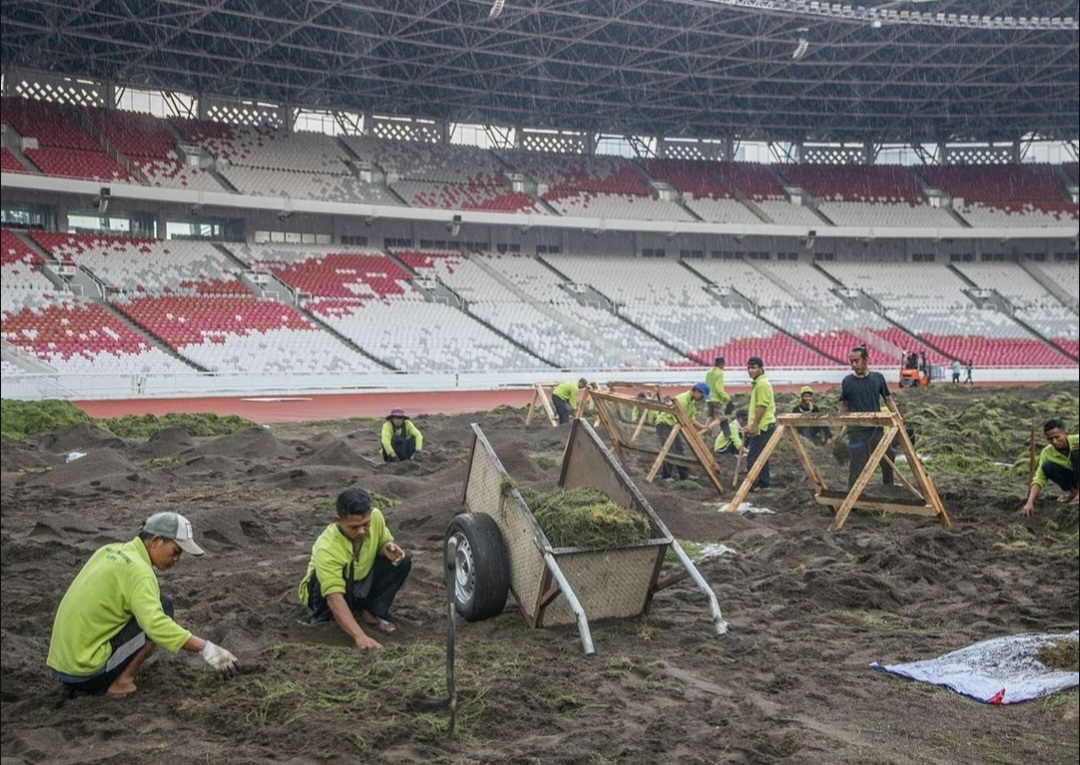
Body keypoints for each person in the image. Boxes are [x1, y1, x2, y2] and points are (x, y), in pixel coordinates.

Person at [46, 512, 239, 698]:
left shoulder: (108, 550)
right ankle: (122, 682)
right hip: (86, 673)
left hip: (60, 665)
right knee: (163, 608)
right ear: (155, 541)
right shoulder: (140, 572)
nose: (177, 559)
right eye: (176, 551)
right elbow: (156, 625)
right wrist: (206, 648)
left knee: (149, 606)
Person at [299, 487, 411, 650]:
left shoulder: (376, 517)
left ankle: (369, 611)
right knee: (322, 581)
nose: (361, 531)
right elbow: (333, 596)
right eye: (353, 527)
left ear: (370, 513)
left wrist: (386, 548)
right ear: (338, 519)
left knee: (403, 561)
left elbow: (382, 541)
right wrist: (360, 637)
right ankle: (325, 621)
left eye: (365, 524)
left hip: (357, 580)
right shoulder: (327, 547)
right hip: (323, 592)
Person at [839, 345, 904, 488]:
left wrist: (899, 419)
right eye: (851, 362)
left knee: (888, 460)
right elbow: (844, 406)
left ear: (866, 360)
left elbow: (888, 400)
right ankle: (854, 501)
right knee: (857, 467)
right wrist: (838, 431)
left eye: (856, 361)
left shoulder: (878, 378)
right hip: (856, 433)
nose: (853, 365)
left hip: (876, 431)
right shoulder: (847, 382)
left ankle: (889, 490)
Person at [1020, 419, 1079, 517]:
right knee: (1047, 466)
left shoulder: (1077, 440)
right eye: (1050, 439)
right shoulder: (1047, 452)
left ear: (1066, 434)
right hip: (1074, 478)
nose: (1054, 442)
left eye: (1057, 437)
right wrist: (1030, 502)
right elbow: (1039, 479)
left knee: (1076, 453)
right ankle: (1075, 491)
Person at [655, 382, 709, 482]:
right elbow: (681, 419)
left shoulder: (691, 402)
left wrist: (702, 427)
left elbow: (690, 419)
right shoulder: (683, 400)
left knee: (679, 449)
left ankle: (684, 475)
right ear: (696, 391)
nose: (702, 398)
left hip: (674, 425)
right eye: (702, 395)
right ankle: (666, 476)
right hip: (664, 424)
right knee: (669, 449)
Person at [744, 356, 776, 489]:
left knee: (753, 457)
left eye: (754, 368)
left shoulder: (762, 384)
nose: (750, 371)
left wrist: (754, 425)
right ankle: (763, 483)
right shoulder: (759, 383)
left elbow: (761, 406)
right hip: (764, 425)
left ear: (761, 369)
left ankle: (752, 484)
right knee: (763, 456)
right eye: (749, 368)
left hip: (763, 426)